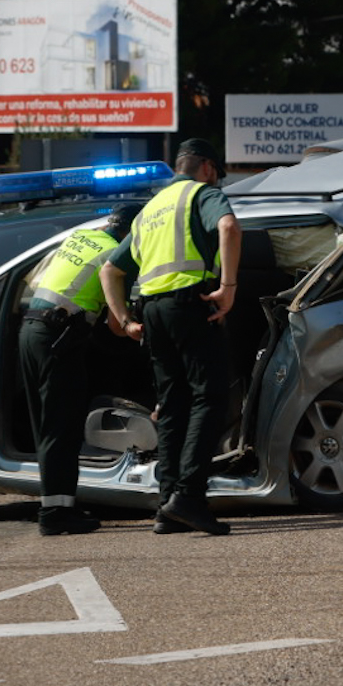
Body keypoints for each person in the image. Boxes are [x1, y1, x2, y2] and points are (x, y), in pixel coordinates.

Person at [99, 138, 241, 536]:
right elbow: (229, 227)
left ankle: (167, 506)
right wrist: (229, 288)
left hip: (153, 314)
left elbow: (109, 270)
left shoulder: (150, 209)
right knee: (209, 397)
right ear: (208, 168)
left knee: (173, 404)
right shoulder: (202, 193)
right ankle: (190, 497)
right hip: (190, 306)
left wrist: (125, 321)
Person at [18, 204, 141, 536]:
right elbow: (118, 327)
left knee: (48, 425)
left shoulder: (81, 236)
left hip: (31, 330)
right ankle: (55, 514)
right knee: (62, 426)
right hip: (60, 338)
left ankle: (58, 504)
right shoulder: (118, 256)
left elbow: (35, 280)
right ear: (132, 233)